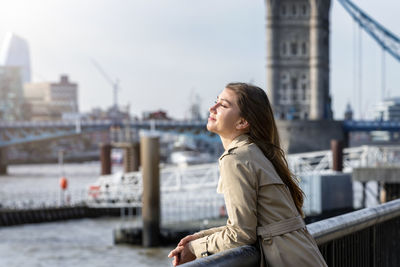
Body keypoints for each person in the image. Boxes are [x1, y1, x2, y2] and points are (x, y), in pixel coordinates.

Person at [168, 83, 327, 266]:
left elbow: (241, 234)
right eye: (216, 101)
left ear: (242, 122)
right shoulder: (256, 153)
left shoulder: (235, 159)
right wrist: (200, 238)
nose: (213, 108)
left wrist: (196, 248)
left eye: (224, 105)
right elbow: (252, 224)